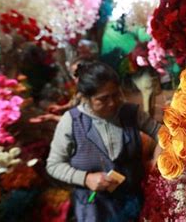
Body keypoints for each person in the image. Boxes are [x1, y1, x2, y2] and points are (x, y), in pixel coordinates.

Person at [46, 61, 162, 221]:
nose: (112, 103)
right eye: (103, 99)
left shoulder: (130, 113)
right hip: (95, 208)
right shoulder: (72, 122)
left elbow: (162, 133)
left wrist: (156, 160)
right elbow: (54, 165)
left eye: (116, 95)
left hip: (134, 201)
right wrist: (85, 178)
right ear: (85, 98)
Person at [29, 55, 95, 123]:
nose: (75, 79)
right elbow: (74, 101)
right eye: (73, 75)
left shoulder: (92, 96)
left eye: (78, 74)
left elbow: (78, 121)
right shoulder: (82, 89)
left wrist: (53, 117)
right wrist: (62, 107)